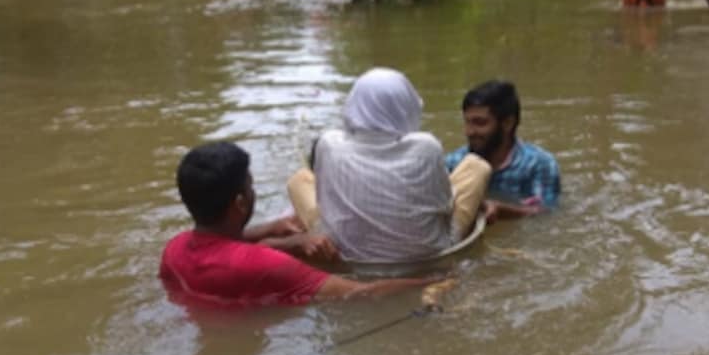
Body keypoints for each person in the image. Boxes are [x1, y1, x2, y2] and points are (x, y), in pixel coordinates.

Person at [159, 142, 435, 307]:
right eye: (251, 186)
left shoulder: (173, 250)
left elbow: (221, 248)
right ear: (240, 203)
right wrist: (433, 280)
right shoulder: (263, 263)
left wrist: (271, 232)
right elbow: (362, 294)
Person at [287, 68, 492, 263]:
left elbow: (325, 200)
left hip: (343, 253)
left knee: (299, 180)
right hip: (430, 255)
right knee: (476, 166)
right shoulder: (426, 147)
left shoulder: (329, 144)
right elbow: (444, 207)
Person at [446, 80, 561, 220]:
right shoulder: (455, 163)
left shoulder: (538, 165)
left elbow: (546, 212)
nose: (469, 131)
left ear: (508, 123)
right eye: (467, 122)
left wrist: (504, 212)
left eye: (480, 123)